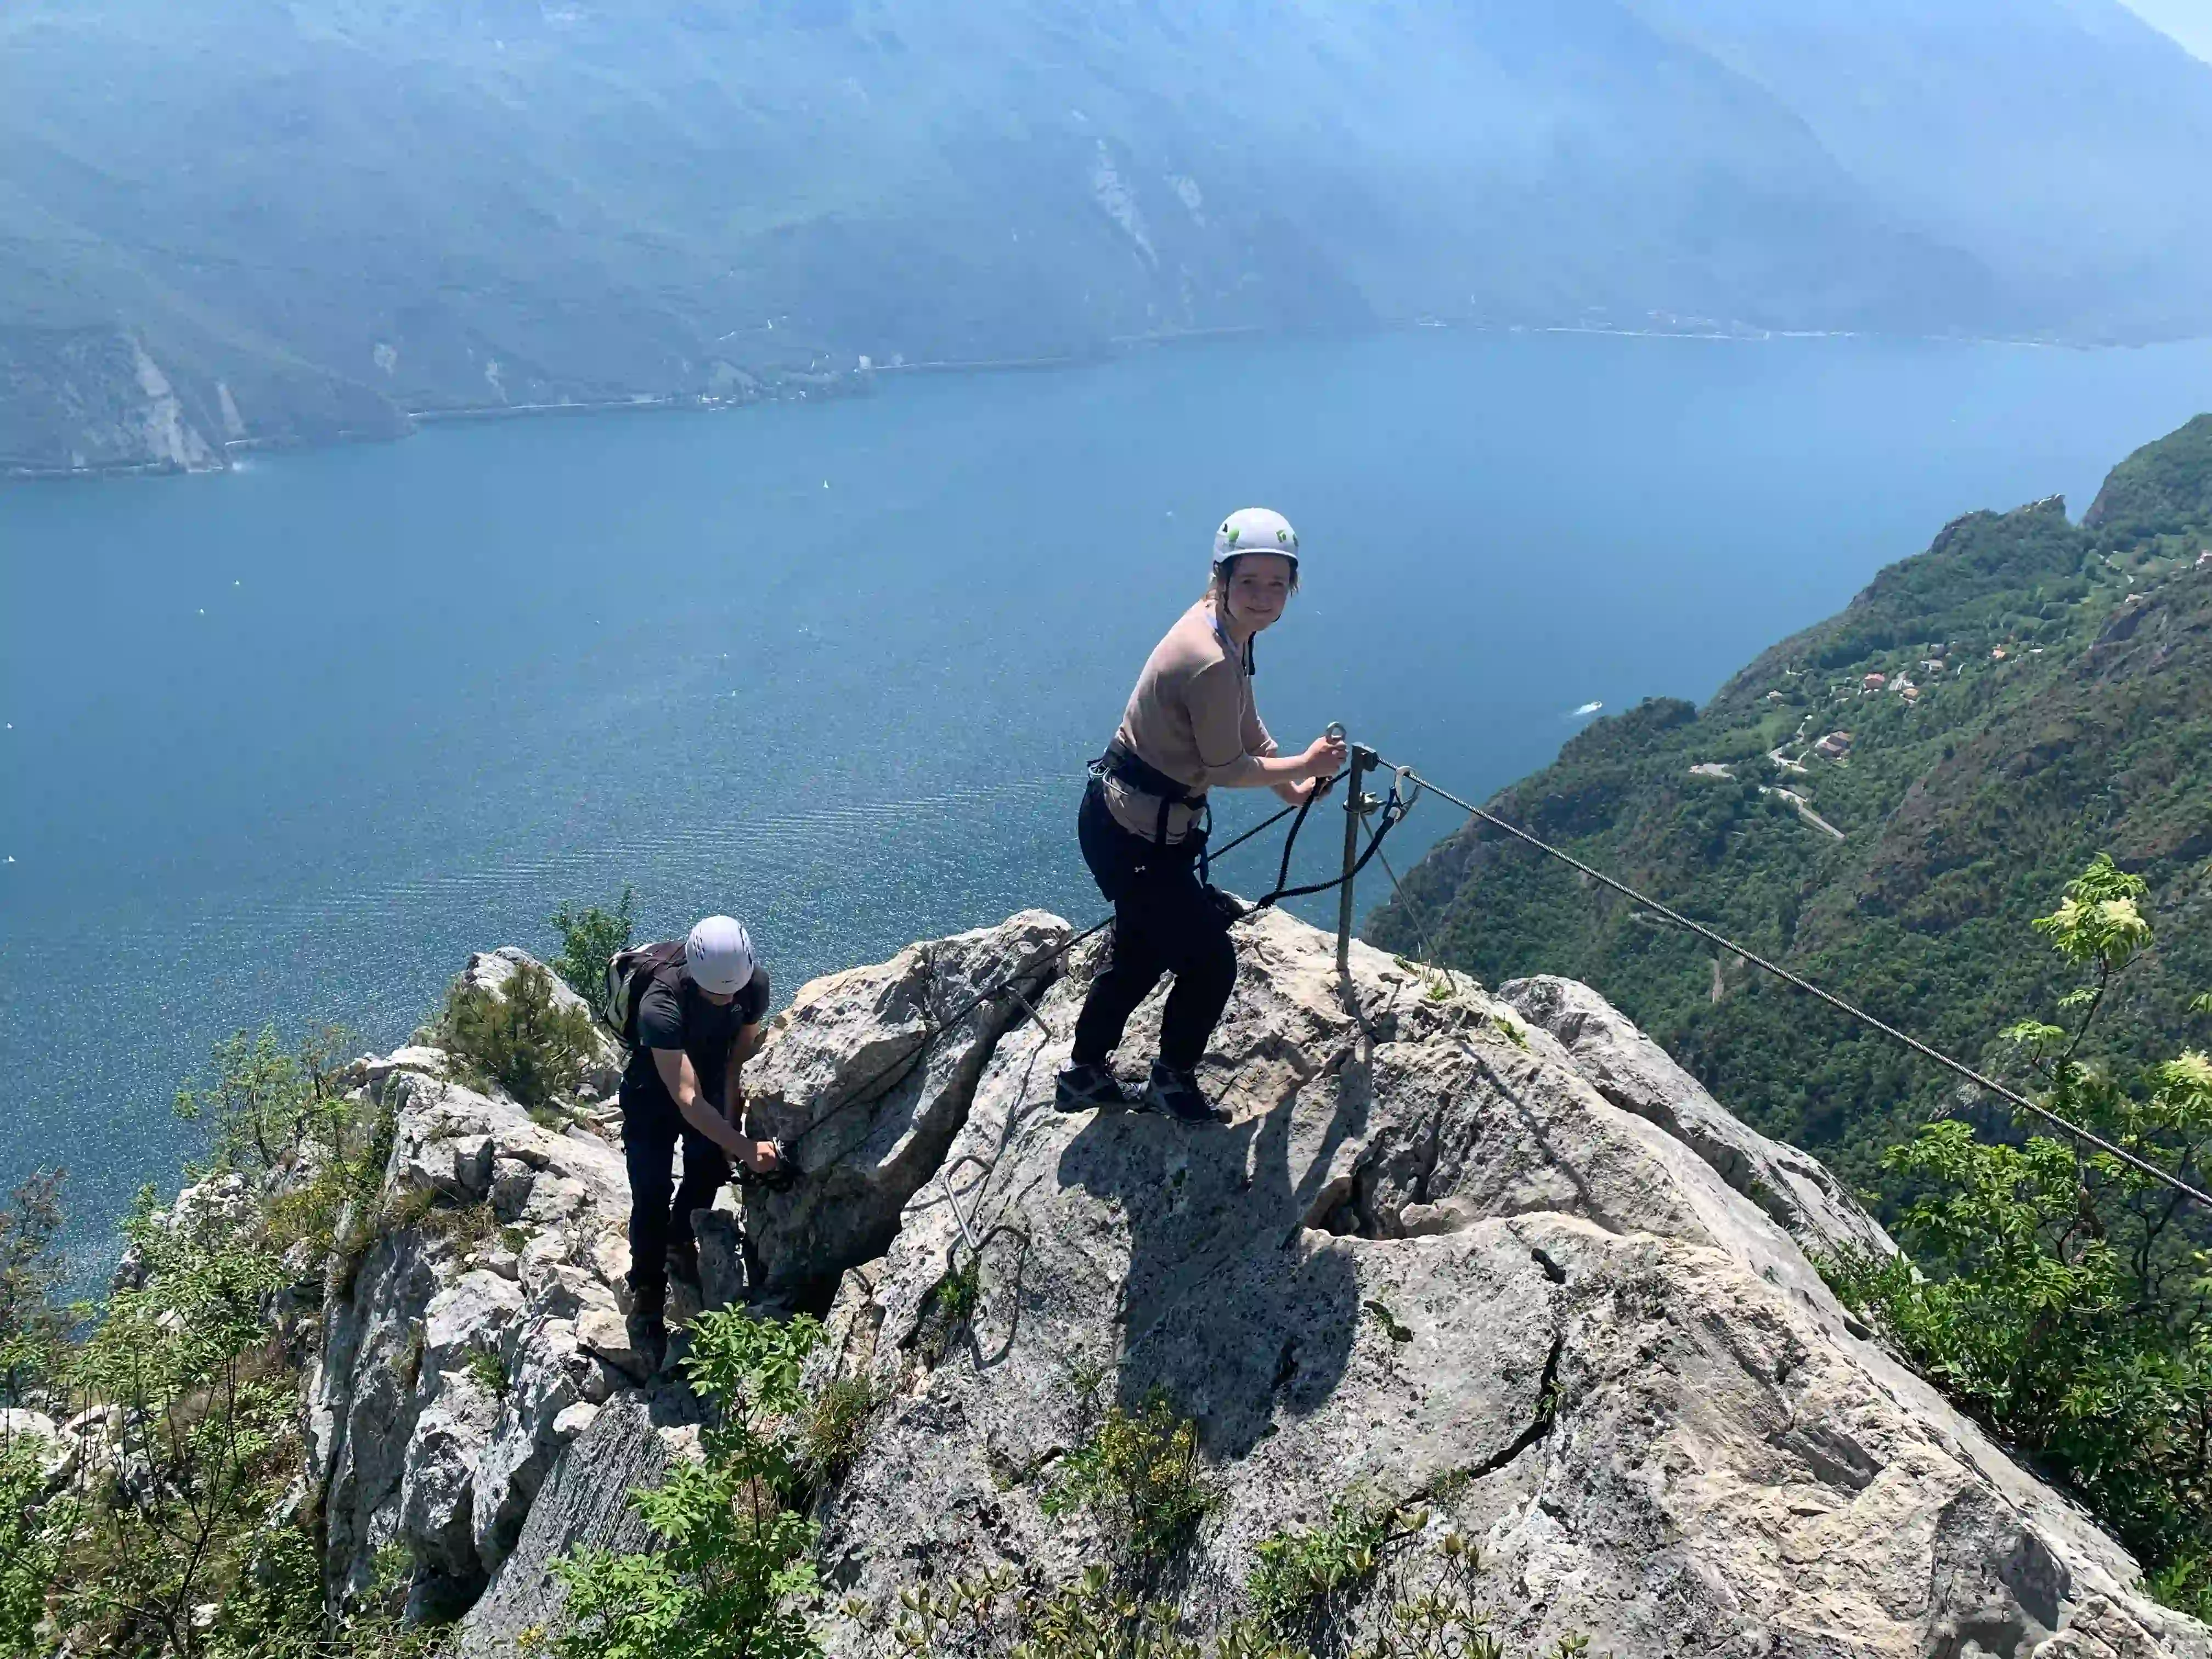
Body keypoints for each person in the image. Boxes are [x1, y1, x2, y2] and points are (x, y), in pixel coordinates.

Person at [1057, 507, 1346, 1121]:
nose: (1264, 596)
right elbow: (1226, 767)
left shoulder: (1224, 626)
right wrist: (1304, 762)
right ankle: (1170, 1081)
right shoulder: (1211, 656)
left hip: (1126, 822)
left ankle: (1084, 1075)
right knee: (1210, 964)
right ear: (1222, 578)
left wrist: (1292, 785)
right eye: (1251, 582)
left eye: (1277, 584)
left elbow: (1244, 722)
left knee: (1141, 951)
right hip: (1137, 836)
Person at [620, 914, 781, 1367]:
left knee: (709, 1169)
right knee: (651, 1194)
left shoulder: (752, 985)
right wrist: (745, 1147)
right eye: (715, 993)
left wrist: (730, 1130)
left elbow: (736, 1062)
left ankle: (679, 1239)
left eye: (731, 992)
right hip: (652, 1093)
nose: (726, 999)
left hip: (707, 1083)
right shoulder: (660, 1003)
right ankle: (647, 1293)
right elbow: (685, 1095)